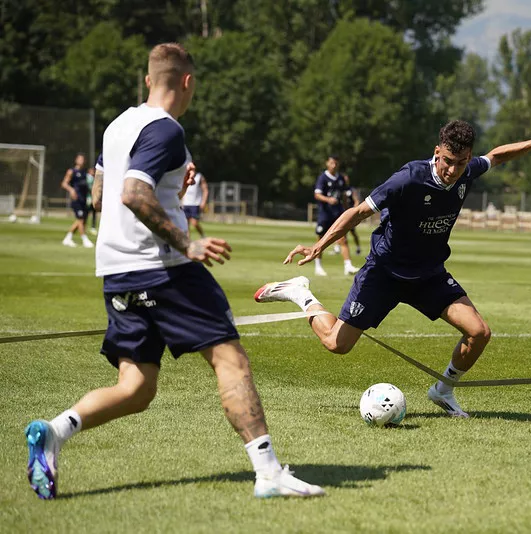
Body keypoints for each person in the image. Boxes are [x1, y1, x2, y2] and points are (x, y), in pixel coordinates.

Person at [24, 43, 324, 500]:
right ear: (188, 82)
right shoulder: (166, 131)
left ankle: (54, 431)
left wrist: (169, 189)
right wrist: (188, 241)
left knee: (137, 387)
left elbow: (102, 200)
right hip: (163, 269)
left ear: (149, 79)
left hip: (118, 272)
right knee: (229, 358)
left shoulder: (118, 126)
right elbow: (131, 194)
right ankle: (268, 472)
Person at [254, 114, 531, 418]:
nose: (452, 170)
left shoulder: (467, 171)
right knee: (336, 344)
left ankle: (443, 390)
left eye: (461, 163)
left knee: (479, 332)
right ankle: (301, 293)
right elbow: (359, 212)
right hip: (384, 272)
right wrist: (319, 245)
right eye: (447, 161)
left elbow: (498, 156)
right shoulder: (408, 178)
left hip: (428, 275)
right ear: (437, 152)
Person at [313, 155, 359, 276]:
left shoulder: (340, 178)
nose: (334, 165)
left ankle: (348, 265)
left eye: (336, 163)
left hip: (337, 213)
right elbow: (317, 195)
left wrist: (346, 209)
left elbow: (344, 194)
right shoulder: (322, 178)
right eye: (332, 163)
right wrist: (328, 200)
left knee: (343, 238)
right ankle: (318, 265)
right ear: (327, 163)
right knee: (321, 239)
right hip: (325, 213)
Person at [60, 153, 93, 248]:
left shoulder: (85, 172)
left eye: (83, 159)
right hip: (76, 199)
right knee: (81, 219)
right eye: (80, 159)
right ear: (76, 160)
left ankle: (68, 238)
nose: (81, 161)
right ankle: (85, 239)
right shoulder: (71, 171)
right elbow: (64, 183)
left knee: (82, 220)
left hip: (84, 199)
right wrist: (71, 190)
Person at [180, 168, 208, 237]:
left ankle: (203, 235)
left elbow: (205, 190)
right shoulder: (184, 176)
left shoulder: (199, 177)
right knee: (186, 225)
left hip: (195, 204)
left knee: (194, 223)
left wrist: (203, 202)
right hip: (185, 204)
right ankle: (188, 241)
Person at [340, 173, 362, 255]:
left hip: (350, 214)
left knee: (353, 232)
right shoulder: (340, 189)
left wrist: (354, 211)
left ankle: (358, 248)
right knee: (339, 231)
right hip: (342, 213)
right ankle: (338, 248)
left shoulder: (351, 189)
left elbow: (356, 201)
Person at [85, 167, 98, 234]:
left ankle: (92, 227)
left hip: (92, 198)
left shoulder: (93, 178)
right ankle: (84, 226)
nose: (93, 172)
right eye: (92, 171)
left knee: (93, 213)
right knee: (86, 213)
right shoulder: (87, 177)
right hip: (88, 198)